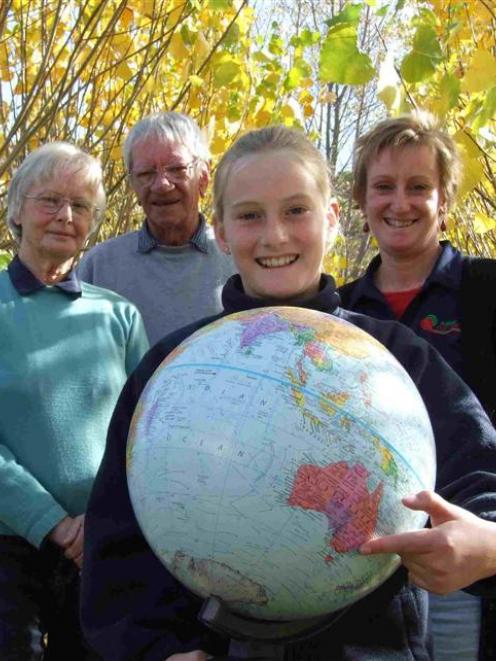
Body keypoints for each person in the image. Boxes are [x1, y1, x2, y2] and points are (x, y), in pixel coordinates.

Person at [81, 126, 496, 661]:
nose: (275, 236)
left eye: (296, 210)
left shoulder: (395, 356)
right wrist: (157, 649)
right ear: (223, 233)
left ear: (331, 220)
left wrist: (486, 543)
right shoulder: (171, 369)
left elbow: (479, 471)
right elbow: (117, 549)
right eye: (250, 215)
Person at [338, 110, 496, 661]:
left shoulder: (485, 291)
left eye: (418, 187)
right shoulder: (339, 311)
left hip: (466, 569)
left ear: (444, 199)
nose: (399, 203)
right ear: (361, 199)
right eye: (383, 187)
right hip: (360, 565)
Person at [0, 142, 149, 660]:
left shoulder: (120, 316)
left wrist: (102, 524)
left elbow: (146, 430)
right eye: (50, 201)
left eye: (80, 205)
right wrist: (55, 525)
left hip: (101, 546)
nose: (65, 216)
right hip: (9, 549)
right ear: (16, 209)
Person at [78, 111, 235, 345]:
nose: (162, 184)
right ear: (133, 185)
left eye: (176, 169)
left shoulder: (238, 259)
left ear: (203, 176)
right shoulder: (99, 267)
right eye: (146, 173)